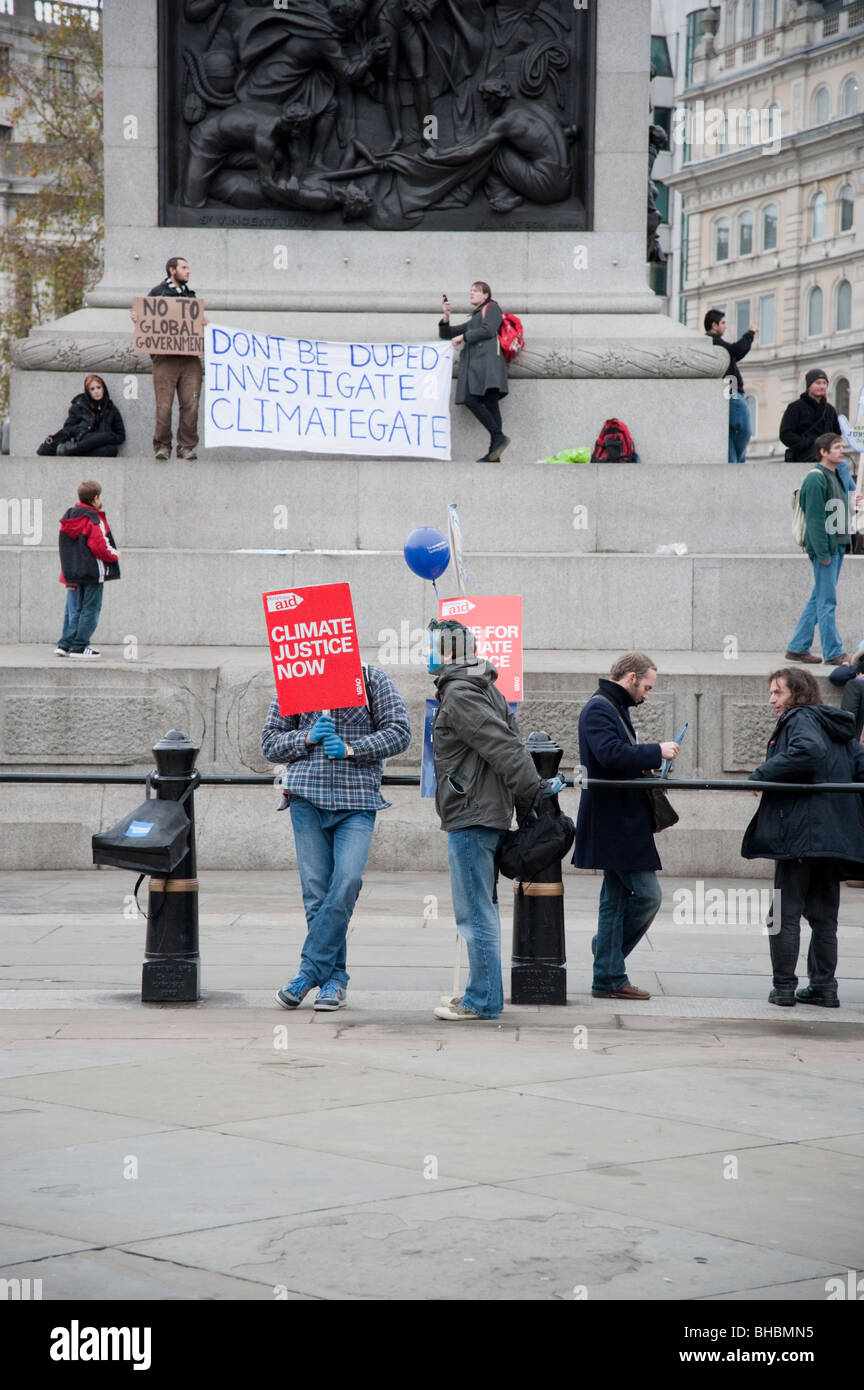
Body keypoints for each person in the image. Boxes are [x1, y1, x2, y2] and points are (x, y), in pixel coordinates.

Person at [427, 619, 562, 1020]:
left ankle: (482, 1000)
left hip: (472, 813)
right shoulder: (485, 685)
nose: (428, 655)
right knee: (480, 908)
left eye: (432, 647)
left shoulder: (461, 692)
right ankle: (480, 993)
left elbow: (502, 745)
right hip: (483, 810)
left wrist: (532, 791)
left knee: (475, 913)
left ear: (450, 652)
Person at [261, 664, 411, 1011]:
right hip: (306, 799)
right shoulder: (296, 678)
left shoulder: (372, 679)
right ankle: (333, 980)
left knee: (346, 882)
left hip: (357, 801)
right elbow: (269, 743)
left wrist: (351, 748)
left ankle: (307, 972)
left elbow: (399, 732)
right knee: (316, 894)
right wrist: (307, 737)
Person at [741, 666, 864, 1007]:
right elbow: (861, 769)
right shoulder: (838, 727)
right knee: (824, 915)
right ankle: (824, 987)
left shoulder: (799, 719)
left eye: (777, 693)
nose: (771, 700)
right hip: (835, 837)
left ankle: (784, 987)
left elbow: (808, 752)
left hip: (800, 833)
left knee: (784, 911)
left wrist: (761, 775)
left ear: (798, 693)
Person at [572, 651, 680, 1000]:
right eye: (646, 687)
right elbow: (611, 755)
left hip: (619, 820)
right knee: (648, 896)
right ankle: (607, 956)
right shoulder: (600, 708)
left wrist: (645, 767)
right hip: (613, 822)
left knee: (615, 900)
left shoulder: (610, 706)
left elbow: (615, 758)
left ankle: (607, 975)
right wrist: (656, 751)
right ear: (631, 678)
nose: (647, 695)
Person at [786, 433, 851, 667]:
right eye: (836, 447)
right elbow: (814, 519)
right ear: (823, 452)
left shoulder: (836, 475)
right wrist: (823, 553)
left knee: (818, 599)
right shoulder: (815, 479)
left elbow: (846, 502)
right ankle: (833, 651)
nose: (841, 451)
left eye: (842, 446)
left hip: (838, 546)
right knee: (827, 602)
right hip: (826, 549)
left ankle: (797, 647)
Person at [131, 257, 204, 462]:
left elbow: (195, 325)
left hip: (189, 359)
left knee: (192, 404)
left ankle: (187, 446)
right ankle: (162, 446)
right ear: (172, 270)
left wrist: (202, 324)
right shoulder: (157, 293)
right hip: (165, 359)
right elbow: (144, 320)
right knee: (164, 405)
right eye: (184, 267)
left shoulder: (191, 296)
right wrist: (138, 318)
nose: (188, 271)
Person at [439, 281, 510, 462]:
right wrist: (446, 317)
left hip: (489, 365)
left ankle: (497, 439)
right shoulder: (476, 316)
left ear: (486, 295)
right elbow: (447, 333)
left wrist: (464, 337)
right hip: (481, 367)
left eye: (476, 291)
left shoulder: (492, 308)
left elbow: (488, 330)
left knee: (474, 399)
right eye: (470, 291)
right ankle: (495, 451)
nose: (471, 294)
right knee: (490, 403)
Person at [55, 480, 120, 660]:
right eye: (100, 497)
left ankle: (65, 644)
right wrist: (115, 554)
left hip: (70, 572)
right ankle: (80, 646)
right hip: (91, 572)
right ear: (95, 498)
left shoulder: (68, 516)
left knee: (73, 609)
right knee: (90, 608)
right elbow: (100, 545)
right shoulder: (93, 518)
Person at [704, 308, 755, 463]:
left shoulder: (715, 343)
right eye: (723, 323)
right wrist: (750, 334)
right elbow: (737, 350)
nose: (725, 326)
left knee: (730, 432)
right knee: (744, 428)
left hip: (727, 387)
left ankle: (733, 463)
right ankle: (737, 462)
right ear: (714, 325)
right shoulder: (714, 343)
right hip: (730, 387)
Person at [37, 376, 126, 458]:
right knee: (98, 438)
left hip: (100, 445)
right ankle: (74, 448)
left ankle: (71, 451)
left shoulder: (111, 409)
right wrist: (82, 431)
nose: (96, 391)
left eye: (99, 387)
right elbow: (68, 428)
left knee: (111, 450)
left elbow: (120, 435)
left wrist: (106, 436)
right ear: (88, 392)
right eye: (92, 389)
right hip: (83, 439)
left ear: (103, 389)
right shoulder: (79, 406)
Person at [780, 368, 841, 463]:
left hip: (827, 455)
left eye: (824, 383)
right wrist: (808, 442)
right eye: (818, 383)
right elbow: (785, 434)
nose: (822, 386)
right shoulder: (795, 407)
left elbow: (837, 434)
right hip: (803, 455)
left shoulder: (830, 410)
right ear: (809, 386)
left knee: (844, 466)